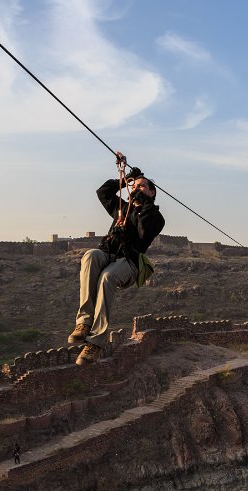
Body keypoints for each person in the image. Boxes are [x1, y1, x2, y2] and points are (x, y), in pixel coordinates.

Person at [68, 151, 165, 365]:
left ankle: (95, 342)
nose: (136, 189)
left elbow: (143, 232)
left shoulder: (155, 217)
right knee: (90, 255)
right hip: (109, 254)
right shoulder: (122, 208)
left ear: (152, 192)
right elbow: (103, 191)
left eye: (141, 186)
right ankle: (84, 322)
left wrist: (142, 205)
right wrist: (127, 178)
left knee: (106, 278)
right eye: (134, 187)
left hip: (128, 263)